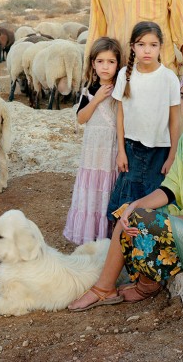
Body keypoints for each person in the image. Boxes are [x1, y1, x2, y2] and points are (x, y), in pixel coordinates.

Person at [67, 67, 183, 311]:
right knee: (128, 213)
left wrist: (173, 221)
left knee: (148, 222)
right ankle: (106, 288)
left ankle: (145, 285)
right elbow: (171, 187)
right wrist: (135, 205)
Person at [106, 21, 181, 221]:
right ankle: (123, 238)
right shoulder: (125, 75)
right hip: (132, 149)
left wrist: (172, 156)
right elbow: (120, 115)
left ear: (160, 46)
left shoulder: (169, 78)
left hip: (160, 151)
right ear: (132, 47)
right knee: (126, 200)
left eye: (153, 45)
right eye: (141, 44)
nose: (147, 50)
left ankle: (151, 240)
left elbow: (175, 120)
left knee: (156, 201)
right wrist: (121, 151)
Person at [63, 36, 124, 244]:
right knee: (93, 190)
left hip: (112, 150)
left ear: (118, 64)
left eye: (111, 61)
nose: (105, 67)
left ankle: (108, 236)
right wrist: (96, 99)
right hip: (93, 152)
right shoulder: (89, 89)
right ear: (93, 64)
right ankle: (91, 235)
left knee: (109, 189)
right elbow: (81, 118)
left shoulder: (120, 89)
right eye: (100, 61)